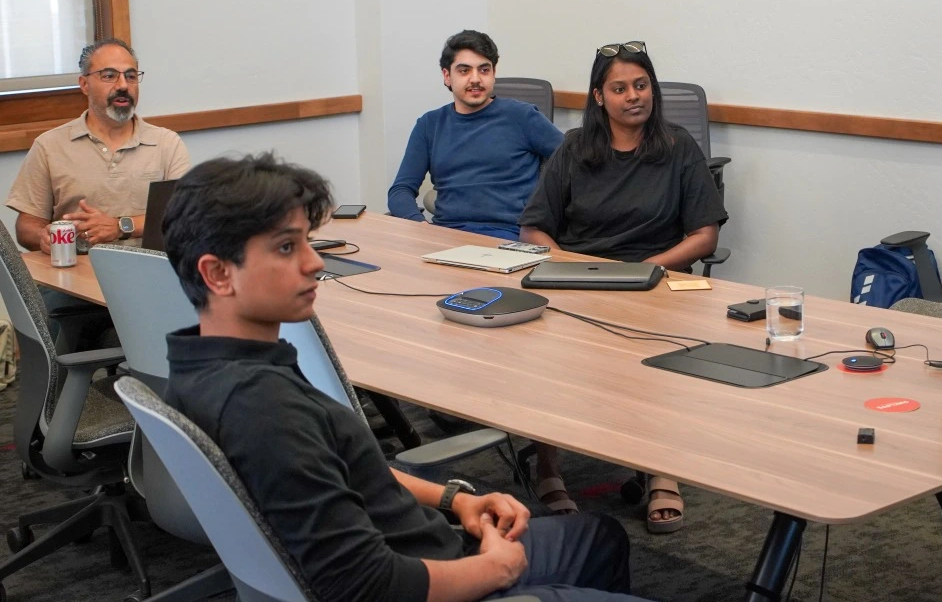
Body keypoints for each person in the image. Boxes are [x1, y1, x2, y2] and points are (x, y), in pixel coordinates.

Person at [162, 152, 652, 602]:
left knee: (598, 538)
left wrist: (455, 499)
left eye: (307, 242)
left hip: (427, 544)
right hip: (430, 578)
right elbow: (368, 586)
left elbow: (342, 470)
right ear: (218, 274)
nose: (314, 262)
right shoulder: (264, 409)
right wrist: (497, 572)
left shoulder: (201, 362)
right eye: (287, 248)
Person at [519, 41, 729, 533]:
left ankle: (662, 471)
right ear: (599, 96)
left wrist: (647, 270)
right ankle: (548, 467)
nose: (634, 96)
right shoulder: (574, 148)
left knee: (658, 351)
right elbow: (533, 228)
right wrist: (571, 267)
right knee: (541, 349)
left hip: (655, 278)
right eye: (620, 88)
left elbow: (704, 235)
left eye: (642, 85)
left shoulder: (678, 147)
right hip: (579, 277)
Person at [7, 38, 190, 253]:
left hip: (148, 270)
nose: (123, 85)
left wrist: (120, 226)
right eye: (109, 76)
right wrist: (43, 237)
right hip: (73, 272)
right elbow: (26, 226)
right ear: (84, 84)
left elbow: (185, 218)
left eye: (130, 76)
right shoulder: (50, 146)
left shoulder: (167, 144)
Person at [387, 30, 564, 240]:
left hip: (508, 238)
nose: (475, 79)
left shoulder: (522, 117)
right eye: (464, 71)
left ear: (493, 73)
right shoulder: (429, 124)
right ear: (447, 76)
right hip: (445, 237)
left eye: (484, 70)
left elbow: (576, 163)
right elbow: (400, 190)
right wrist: (420, 227)